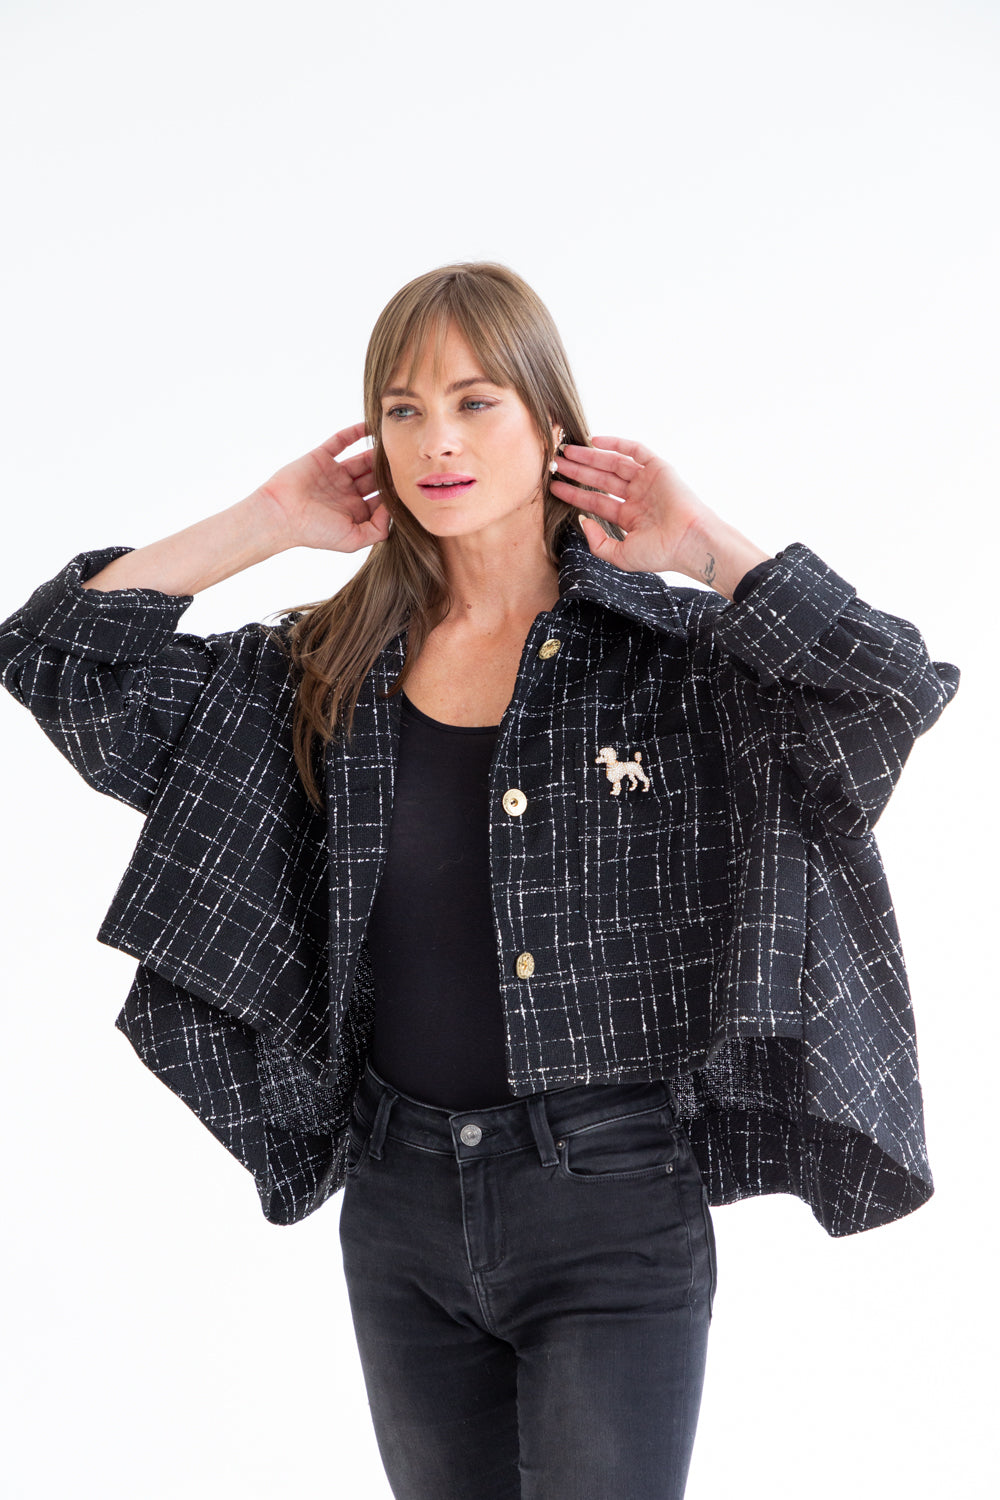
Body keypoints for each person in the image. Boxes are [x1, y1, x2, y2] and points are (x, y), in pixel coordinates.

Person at [0, 261, 960, 1500]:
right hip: (397, 1208)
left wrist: (702, 546)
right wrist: (267, 519)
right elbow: (55, 661)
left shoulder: (670, 665)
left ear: (552, 421)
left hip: (613, 1209)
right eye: (401, 410)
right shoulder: (319, 671)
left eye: (474, 402)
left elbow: (890, 689)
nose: (435, 442)